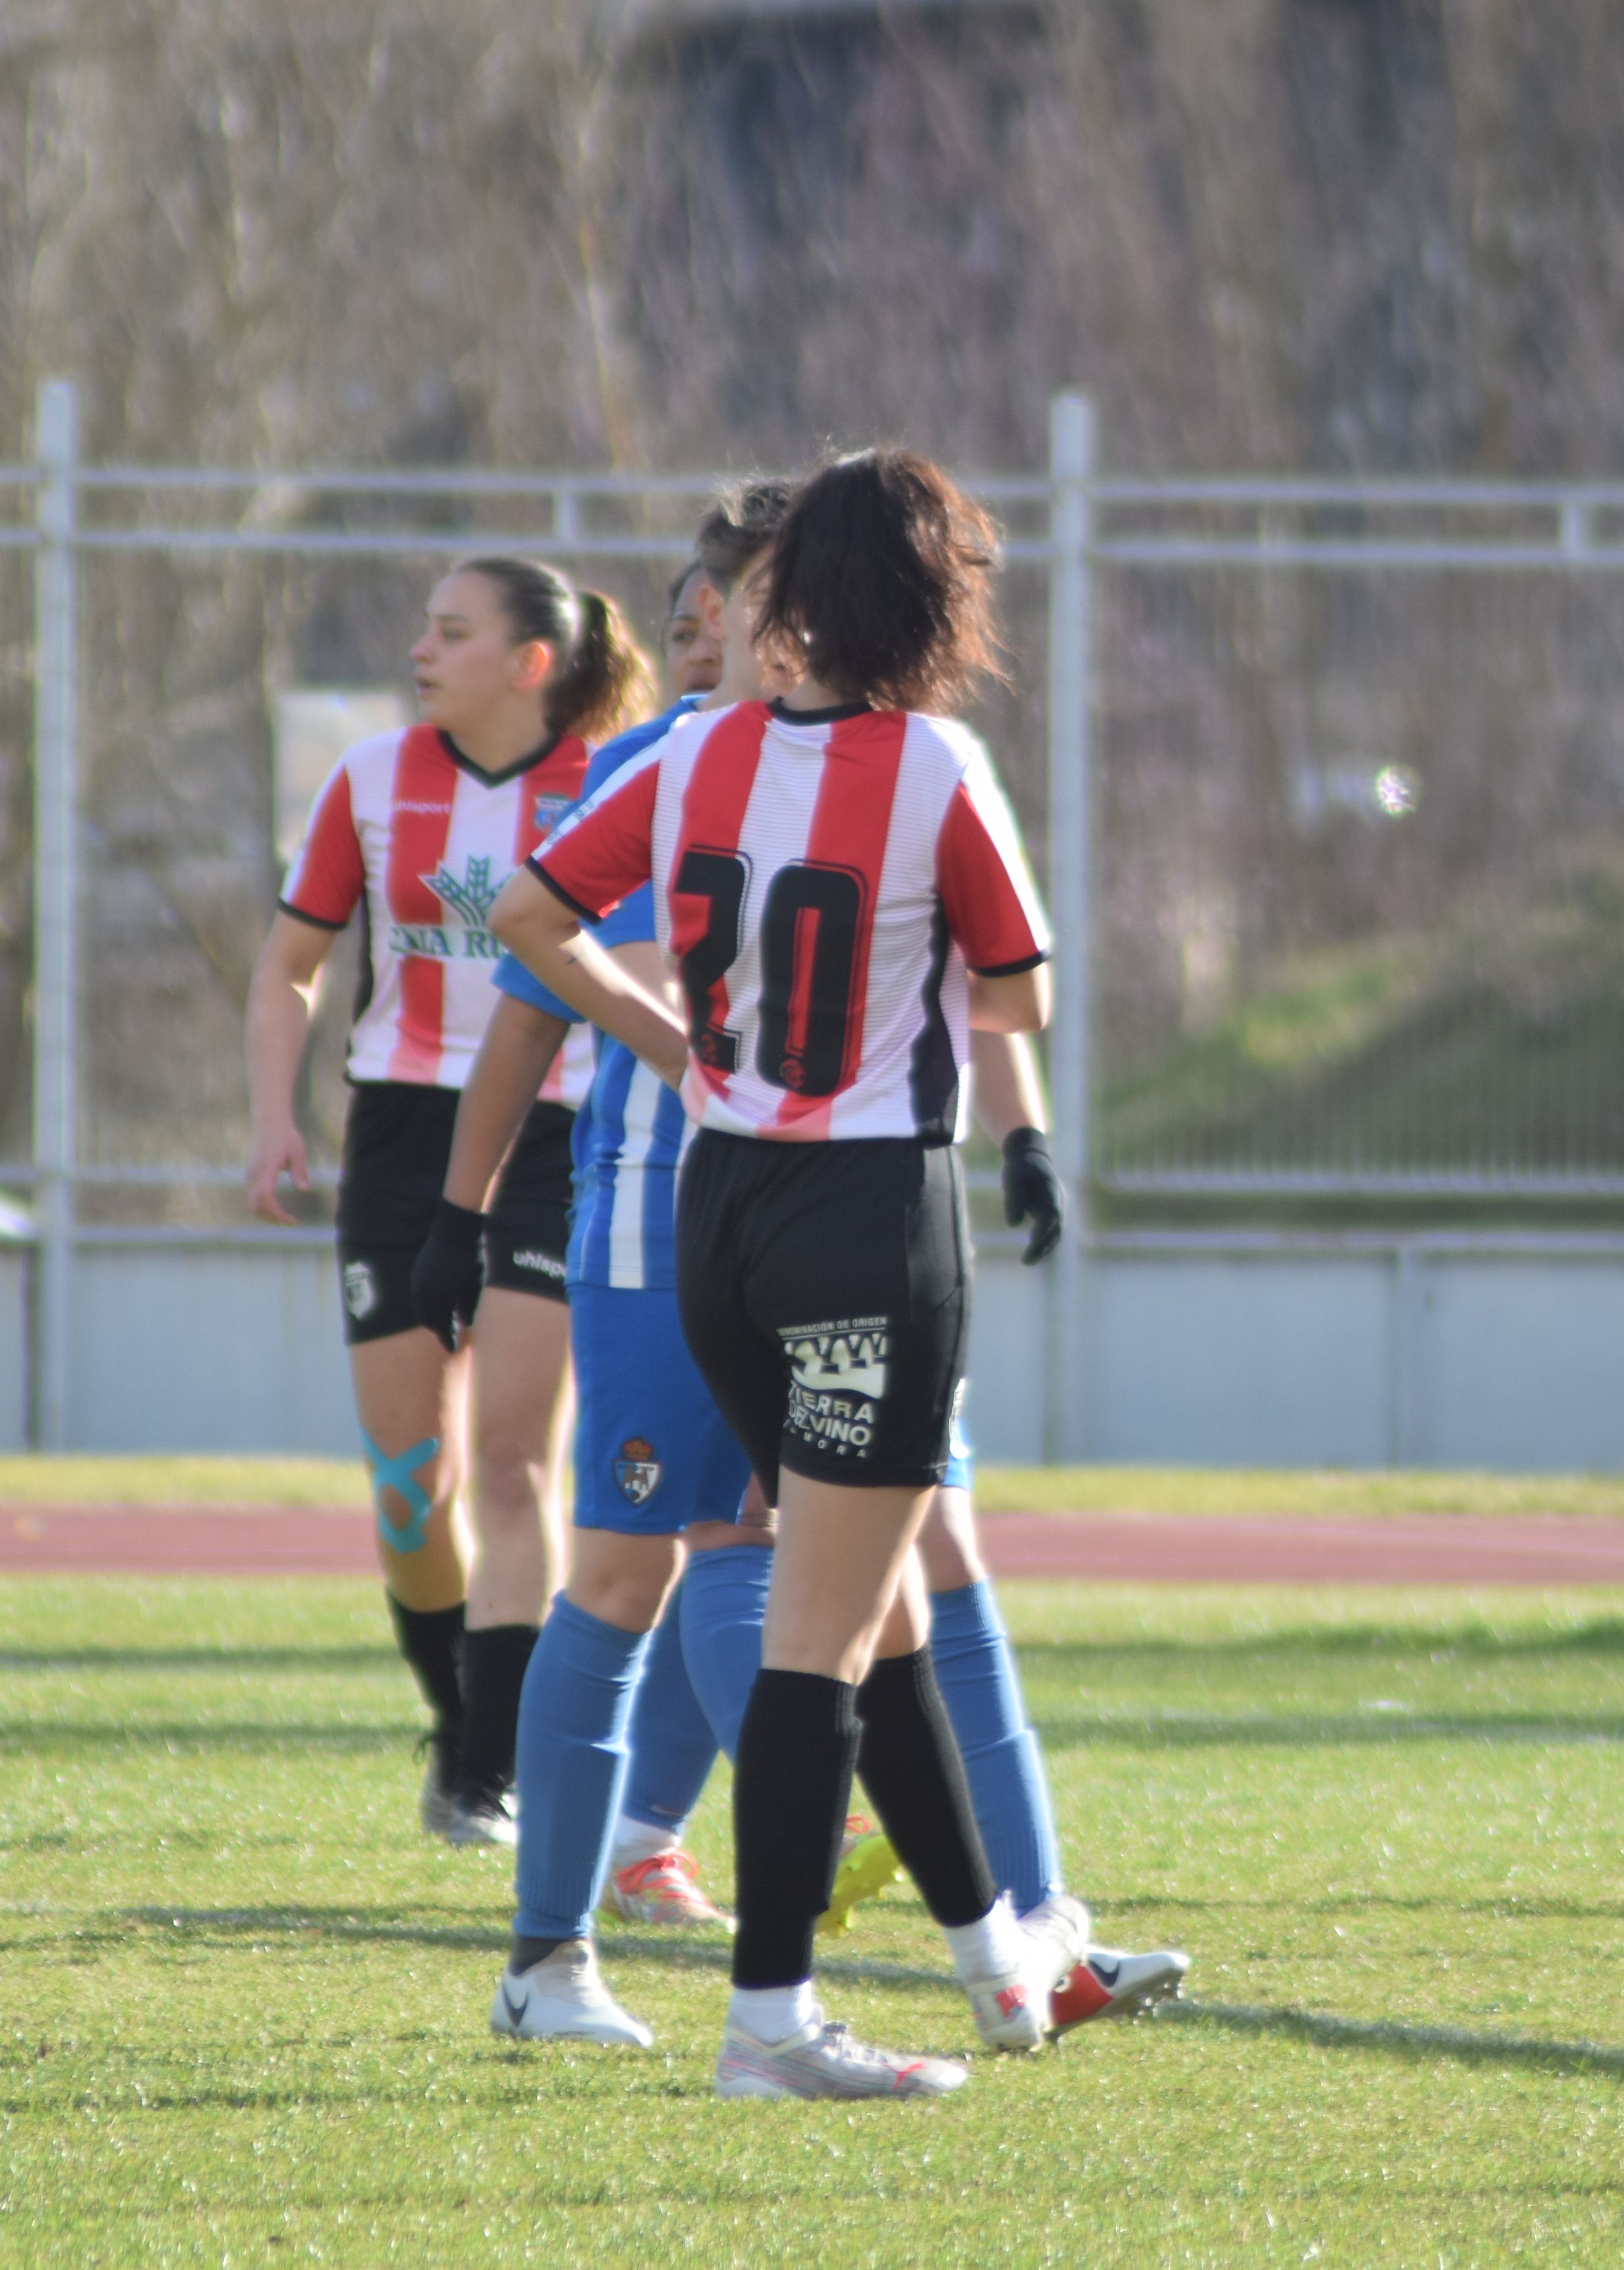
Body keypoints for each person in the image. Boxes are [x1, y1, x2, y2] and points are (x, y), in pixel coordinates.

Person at [456, 492, 1182, 2050]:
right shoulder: (930, 762)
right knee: (819, 1621)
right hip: (862, 1212)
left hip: (718, 1204)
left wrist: (694, 1035)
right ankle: (772, 2016)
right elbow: (1019, 989)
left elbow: (526, 917)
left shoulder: (695, 754)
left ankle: (1000, 1955)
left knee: (886, 1603)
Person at [244, 558, 652, 1844]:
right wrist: (274, 1117)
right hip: (405, 1135)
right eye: (422, 623)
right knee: (413, 1484)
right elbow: (291, 966)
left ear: (533, 661)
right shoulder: (368, 780)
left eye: (453, 631)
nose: (421, 647)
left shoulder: (605, 783)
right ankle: (455, 1713)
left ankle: (490, 1769)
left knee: (519, 1457)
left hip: (555, 1129)